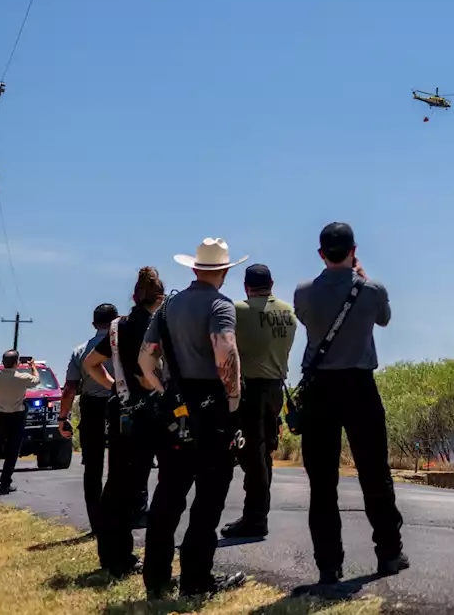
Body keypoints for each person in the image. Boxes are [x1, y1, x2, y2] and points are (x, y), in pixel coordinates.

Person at [293, 222, 408, 587]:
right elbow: (384, 319)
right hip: (359, 386)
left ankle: (329, 565)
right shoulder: (372, 290)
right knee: (375, 473)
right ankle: (389, 553)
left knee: (322, 482)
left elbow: (307, 320)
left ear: (321, 253)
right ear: (354, 250)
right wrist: (362, 277)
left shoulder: (303, 292)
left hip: (320, 389)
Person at [137, 238, 248, 599]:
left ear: (194, 268)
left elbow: (144, 360)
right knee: (209, 496)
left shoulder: (167, 308)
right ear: (225, 271)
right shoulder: (220, 305)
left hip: (175, 404)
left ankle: (156, 580)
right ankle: (196, 580)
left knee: (168, 492)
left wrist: (163, 390)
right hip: (211, 404)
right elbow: (225, 353)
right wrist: (232, 402)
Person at [83, 267, 167, 579]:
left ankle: (114, 555)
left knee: (117, 486)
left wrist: (115, 386)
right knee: (158, 485)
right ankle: (146, 557)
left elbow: (90, 363)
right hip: (154, 412)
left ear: (134, 296)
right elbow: (154, 374)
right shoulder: (159, 325)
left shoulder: (117, 328)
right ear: (159, 298)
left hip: (122, 411)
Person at [220, 262, 296, 540]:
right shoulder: (288, 312)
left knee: (251, 456)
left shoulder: (238, 310)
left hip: (249, 389)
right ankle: (256, 513)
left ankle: (255, 518)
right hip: (276, 388)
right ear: (272, 284)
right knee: (263, 455)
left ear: (246, 286)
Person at [59, 304, 118, 536]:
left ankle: (97, 523)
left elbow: (69, 389)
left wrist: (63, 417)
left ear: (94, 324)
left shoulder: (80, 351)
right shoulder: (122, 346)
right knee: (121, 464)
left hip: (92, 407)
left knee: (92, 468)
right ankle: (119, 518)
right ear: (116, 321)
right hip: (119, 406)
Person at [0, 350, 40, 496]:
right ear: (17, 363)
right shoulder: (22, 378)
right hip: (16, 417)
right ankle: (4, 484)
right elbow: (37, 380)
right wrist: (33, 366)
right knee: (12, 452)